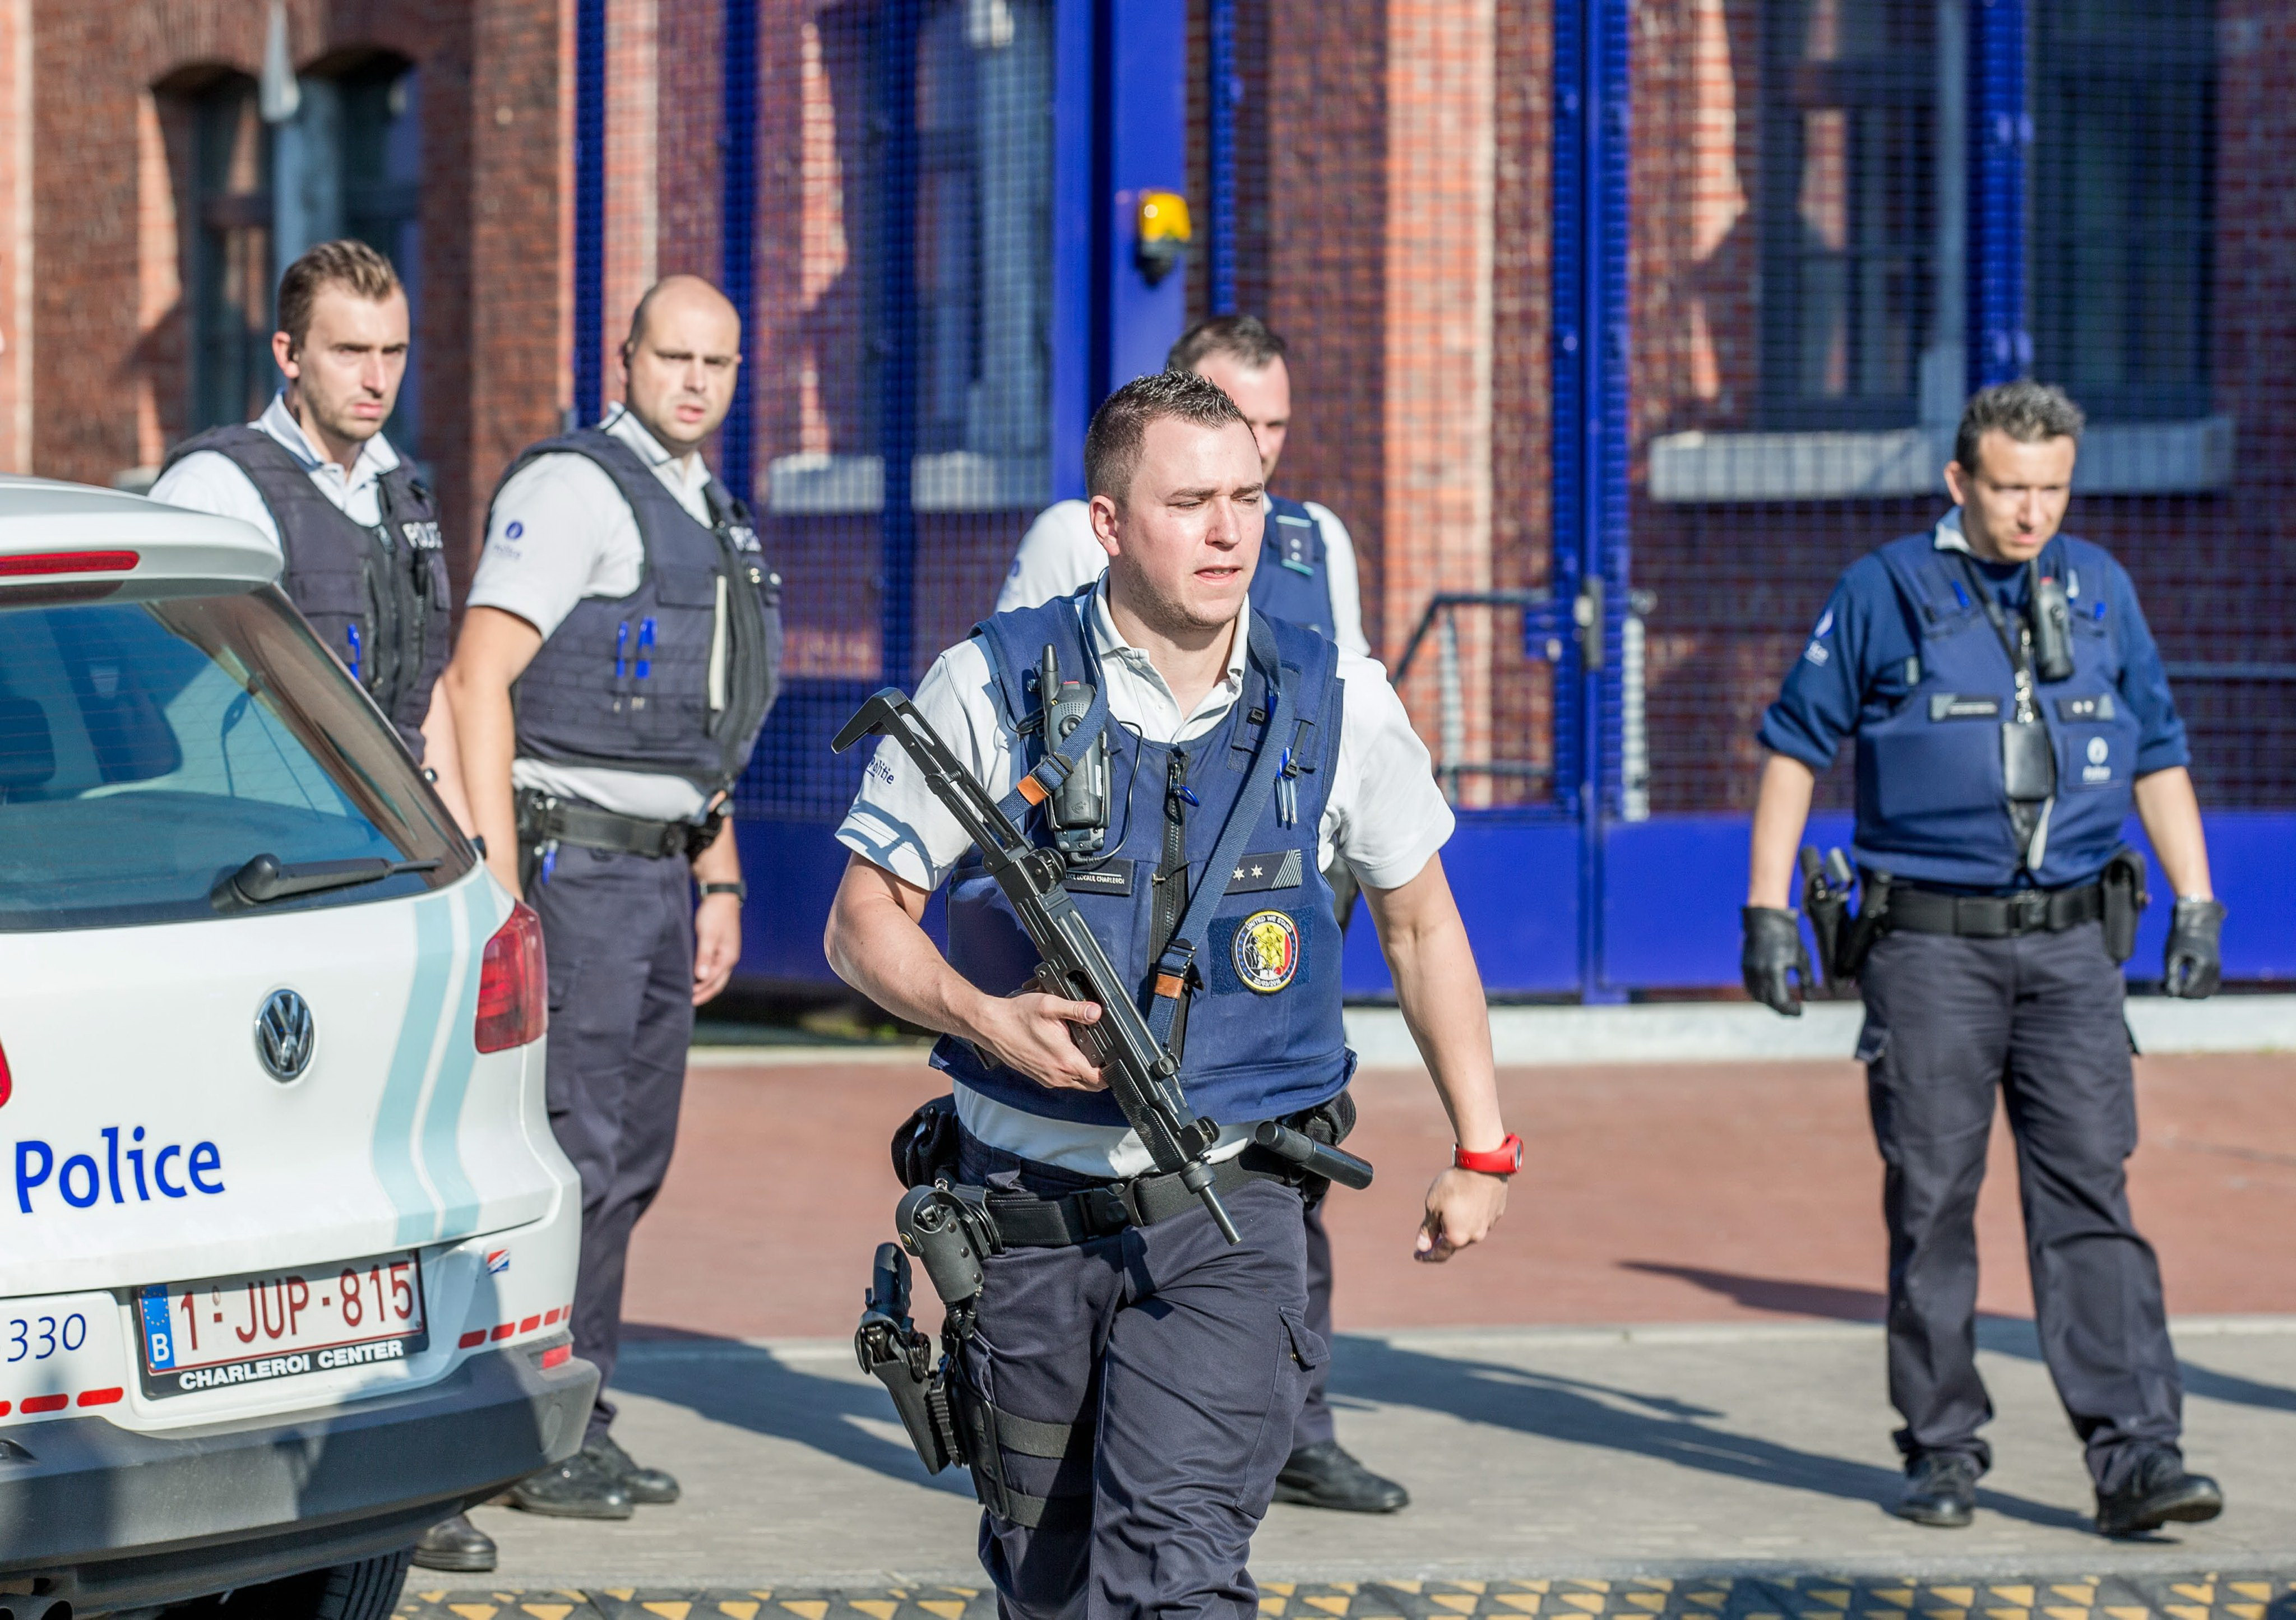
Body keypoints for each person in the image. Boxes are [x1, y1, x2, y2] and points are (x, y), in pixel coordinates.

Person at [826, 369, 1517, 1618]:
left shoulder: (1337, 694)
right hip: (1019, 1217)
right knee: (1043, 1582)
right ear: (1106, 523)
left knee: (1174, 1579)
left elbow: (1419, 922)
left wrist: (1483, 1145)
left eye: (1247, 496)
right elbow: (859, 922)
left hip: (1229, 1212)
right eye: (1189, 500)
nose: (1227, 530)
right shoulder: (990, 683)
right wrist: (985, 1018)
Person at [1740, 381, 2227, 1538]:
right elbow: (1792, 747)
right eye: (2009, 488)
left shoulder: (2099, 587)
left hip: (2069, 948)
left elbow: (2154, 749)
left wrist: (2196, 896)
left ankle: (2135, 1458)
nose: (2031, 512)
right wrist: (1765, 907)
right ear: (1958, 481)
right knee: (1931, 1200)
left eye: (2051, 489)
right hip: (1928, 950)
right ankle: (1942, 1445)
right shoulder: (1879, 591)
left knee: (2088, 1199)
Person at [999, 315, 1400, 1513]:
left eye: (1273, 434)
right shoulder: (1066, 546)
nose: (1255, 466)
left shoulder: (1314, 538)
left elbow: (1337, 717)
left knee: (1274, 1168)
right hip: (1117, 921)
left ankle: (1294, 1419)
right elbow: (1041, 702)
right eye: (1233, 425)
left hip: (1267, 914)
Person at [441, 275, 782, 1533]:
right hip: (572, 870)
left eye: (717, 362)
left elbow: (699, 732)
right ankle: (525, 1421)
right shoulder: (574, 489)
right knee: (575, 1146)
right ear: (624, 357)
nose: (693, 380)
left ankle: (579, 1407)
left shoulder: (708, 507)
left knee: (629, 1157)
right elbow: (480, 680)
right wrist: (499, 882)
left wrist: (721, 871)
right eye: (672, 356)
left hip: (658, 865)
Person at [151, 239, 470, 830]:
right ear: (289, 353)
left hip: (404, 838)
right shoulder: (215, 491)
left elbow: (430, 693)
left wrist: (468, 843)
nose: (377, 378)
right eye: (350, 351)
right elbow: (161, 691)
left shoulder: (403, 491)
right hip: (263, 842)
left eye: (394, 352)